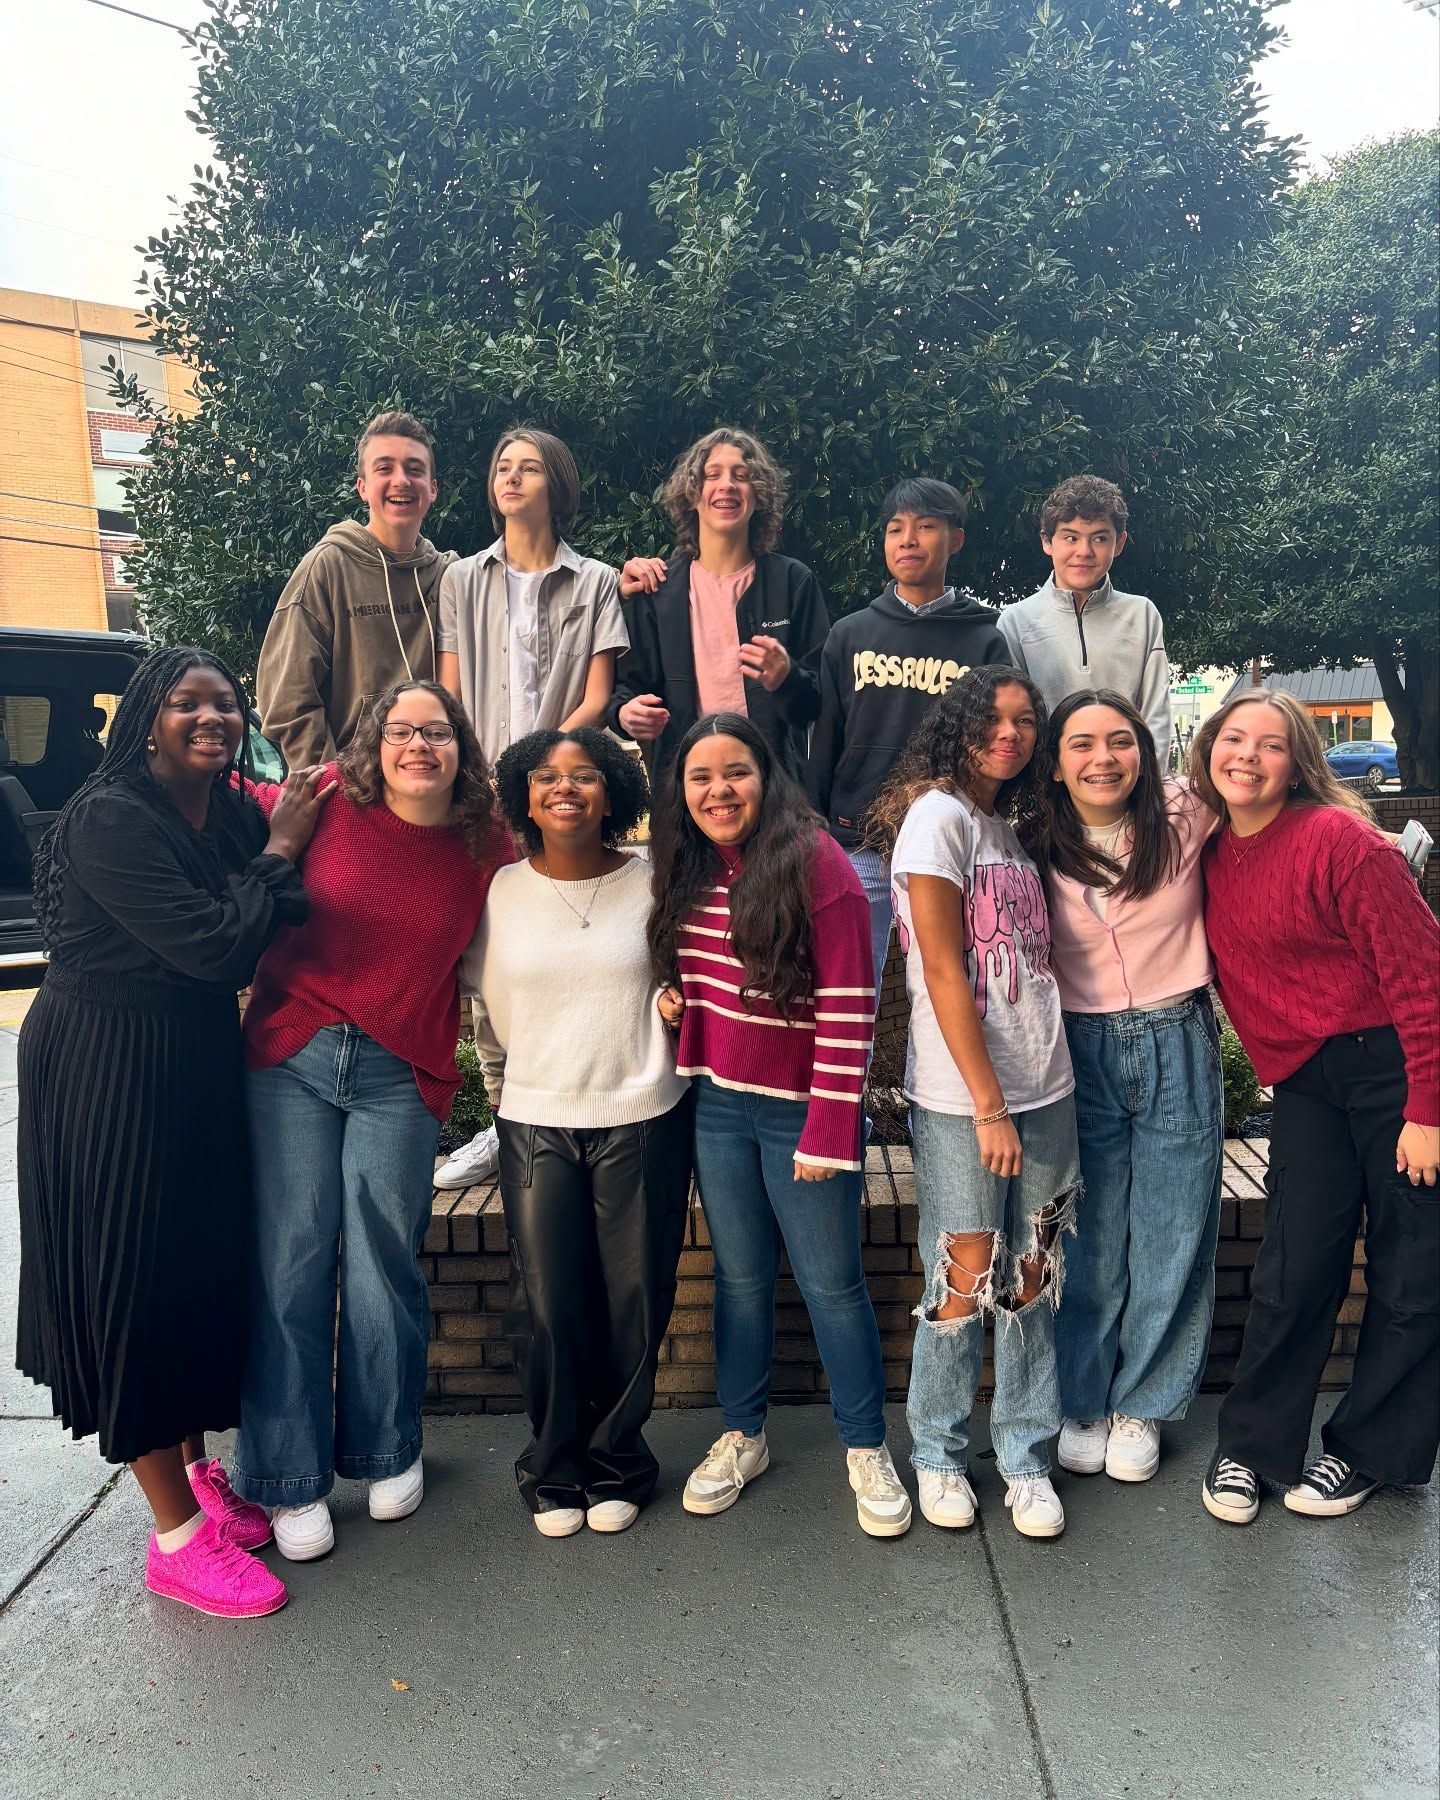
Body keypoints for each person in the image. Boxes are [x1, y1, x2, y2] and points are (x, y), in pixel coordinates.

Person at [16, 647, 328, 1619]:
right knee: (136, 1283)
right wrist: (282, 854)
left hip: (190, 1059)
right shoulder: (110, 818)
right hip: (108, 1062)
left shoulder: (226, 809)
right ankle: (175, 1541)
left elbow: (282, 906)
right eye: (186, 703)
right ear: (145, 718)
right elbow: (214, 943)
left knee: (192, 1270)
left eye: (225, 704)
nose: (211, 717)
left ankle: (197, 1480)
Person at [231, 681, 512, 1561]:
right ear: (375, 741)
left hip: (401, 1070)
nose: (417, 744)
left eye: (436, 731)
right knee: (292, 1262)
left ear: (460, 747)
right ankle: (286, 1476)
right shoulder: (321, 801)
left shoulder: (487, 842)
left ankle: (387, 1447)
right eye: (400, 730)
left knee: (386, 1258)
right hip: (293, 1053)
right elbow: (220, 816)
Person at [647, 713, 911, 1538]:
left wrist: (832, 1128)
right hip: (719, 1107)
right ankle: (742, 1432)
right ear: (681, 790)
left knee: (833, 1285)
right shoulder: (685, 864)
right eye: (700, 777)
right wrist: (672, 1003)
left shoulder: (815, 861)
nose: (719, 791)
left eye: (736, 773)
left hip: (803, 1110)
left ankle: (866, 1446)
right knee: (740, 1280)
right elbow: (696, 969)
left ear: (767, 776)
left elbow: (848, 1004)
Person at [1191, 689, 1439, 1526]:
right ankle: (1252, 1448)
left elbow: (1421, 979)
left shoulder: (1341, 843)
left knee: (1410, 1271)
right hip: (1306, 1086)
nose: (1248, 757)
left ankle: (1368, 1452)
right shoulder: (1211, 852)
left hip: (1395, 1074)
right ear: (1209, 749)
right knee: (1293, 1271)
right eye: (1234, 739)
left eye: (1269, 744)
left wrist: (1428, 1110)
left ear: (1298, 761)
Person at [868, 666, 1079, 1540]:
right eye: (993, 718)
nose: (1011, 732)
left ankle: (1026, 1456)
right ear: (957, 726)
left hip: (1049, 1086)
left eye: (1026, 720)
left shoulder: (1008, 829)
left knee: (1033, 1277)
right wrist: (990, 1106)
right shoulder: (938, 818)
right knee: (961, 1275)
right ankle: (940, 1455)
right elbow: (944, 971)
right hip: (968, 1100)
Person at [464, 729, 692, 1538]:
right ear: (524, 796)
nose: (566, 789)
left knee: (635, 1301)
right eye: (547, 777)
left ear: (612, 793)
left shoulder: (657, 884)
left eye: (586, 775)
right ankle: (554, 1466)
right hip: (536, 1118)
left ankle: (619, 1462)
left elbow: (687, 981)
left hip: (644, 1115)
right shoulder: (498, 893)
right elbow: (483, 1012)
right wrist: (500, 1094)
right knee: (551, 1305)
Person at [1023, 689, 1222, 1485]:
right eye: (1082, 744)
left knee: (1174, 1228)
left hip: (1178, 1034)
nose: (1102, 758)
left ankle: (1143, 1401)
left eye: (1119, 741)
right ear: (1058, 760)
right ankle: (1081, 1399)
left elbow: (1266, 783)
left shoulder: (1182, 816)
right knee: (1090, 1233)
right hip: (1081, 1047)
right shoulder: (1033, 838)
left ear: (1143, 750)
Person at [434, 425, 629, 1194]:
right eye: (501, 468)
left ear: (557, 483)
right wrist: (479, 780)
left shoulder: (596, 581)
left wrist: (540, 768)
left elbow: (599, 695)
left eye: (528, 467)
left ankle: (566, 1103)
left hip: (555, 792)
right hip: (479, 798)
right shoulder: (460, 579)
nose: (511, 478)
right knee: (490, 957)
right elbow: (448, 691)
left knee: (568, 950)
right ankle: (504, 1115)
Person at [807, 476, 1008, 993]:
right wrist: (818, 823)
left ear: (955, 540)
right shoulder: (849, 634)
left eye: (925, 527)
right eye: (896, 529)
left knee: (952, 983)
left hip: (948, 842)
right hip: (859, 843)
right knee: (851, 990)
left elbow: (993, 745)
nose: (908, 540)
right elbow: (825, 734)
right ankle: (853, 1079)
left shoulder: (984, 639)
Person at [606, 428, 829, 784]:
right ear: (692, 495)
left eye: (742, 476)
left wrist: (788, 678)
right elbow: (625, 688)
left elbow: (818, 704)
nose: (727, 485)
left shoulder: (793, 582)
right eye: (712, 475)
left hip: (776, 791)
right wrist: (624, 714)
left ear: (759, 496)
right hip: (685, 793)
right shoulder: (658, 587)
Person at [256, 411, 455, 766]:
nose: (401, 480)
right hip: (356, 795)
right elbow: (286, 699)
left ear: (433, 488)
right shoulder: (327, 568)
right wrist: (334, 786)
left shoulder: (451, 576)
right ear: (362, 487)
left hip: (435, 784)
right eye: (384, 468)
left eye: (414, 469)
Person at [998, 475, 1171, 761]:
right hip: (1046, 789)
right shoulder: (1015, 621)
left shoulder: (1142, 615)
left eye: (1100, 538)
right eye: (1070, 537)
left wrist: (1154, 791)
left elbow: (1156, 714)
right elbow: (1015, 718)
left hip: (1123, 783)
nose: (1084, 552)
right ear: (1047, 541)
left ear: (1119, 543)